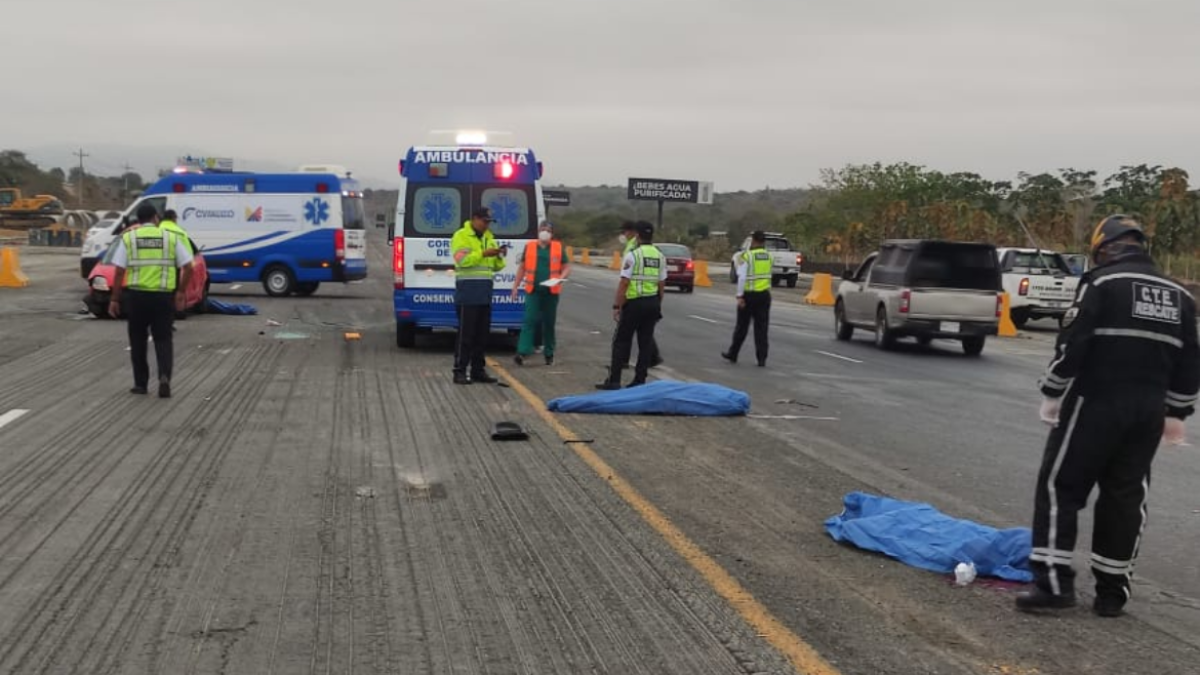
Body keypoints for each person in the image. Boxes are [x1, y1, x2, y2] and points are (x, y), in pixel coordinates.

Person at [1017, 215, 1199, 618]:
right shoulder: (1179, 295)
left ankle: (1052, 585)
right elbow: (1190, 362)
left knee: (1059, 487)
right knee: (1125, 496)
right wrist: (1178, 411)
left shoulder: (1102, 283)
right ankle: (1112, 593)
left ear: (1104, 248)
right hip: (1148, 413)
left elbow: (1074, 341)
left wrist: (1052, 390)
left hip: (1094, 402)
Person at [108, 203, 196, 398]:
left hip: (137, 297)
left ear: (138, 220)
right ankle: (164, 376)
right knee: (163, 339)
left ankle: (141, 384)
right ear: (156, 218)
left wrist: (114, 299)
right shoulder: (170, 238)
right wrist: (181, 292)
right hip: (163, 297)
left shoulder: (129, 238)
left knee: (138, 340)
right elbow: (189, 266)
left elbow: (119, 270)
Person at [597, 221, 665, 390]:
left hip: (634, 303)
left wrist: (617, 306)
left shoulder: (633, 255)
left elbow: (624, 284)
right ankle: (639, 381)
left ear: (637, 235)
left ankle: (614, 380)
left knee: (621, 341)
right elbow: (661, 284)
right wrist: (657, 304)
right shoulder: (660, 256)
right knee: (645, 343)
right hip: (653, 302)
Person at [451, 207, 507, 385]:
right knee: (466, 335)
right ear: (474, 219)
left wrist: (498, 255)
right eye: (484, 221)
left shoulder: (489, 238)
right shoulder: (461, 236)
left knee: (482, 336)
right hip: (468, 291)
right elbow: (462, 260)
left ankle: (478, 370)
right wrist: (483, 253)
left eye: (489, 222)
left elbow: (497, 267)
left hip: (485, 292)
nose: (486, 225)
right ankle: (459, 371)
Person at [512, 220, 570, 366]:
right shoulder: (530, 247)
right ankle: (523, 352)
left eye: (548, 230)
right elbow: (522, 268)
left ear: (552, 233)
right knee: (529, 320)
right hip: (533, 291)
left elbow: (567, 267)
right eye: (542, 229)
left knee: (549, 323)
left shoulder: (558, 247)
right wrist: (515, 287)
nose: (545, 232)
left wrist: (561, 278)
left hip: (551, 291)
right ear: (538, 231)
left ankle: (549, 353)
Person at [615, 220, 662, 370]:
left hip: (634, 296)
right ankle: (640, 376)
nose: (623, 235)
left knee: (623, 336)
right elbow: (662, 283)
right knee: (645, 337)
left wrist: (618, 303)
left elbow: (625, 280)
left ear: (633, 232)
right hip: (651, 298)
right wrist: (658, 301)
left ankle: (617, 371)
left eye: (624, 232)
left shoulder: (633, 249)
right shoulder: (658, 254)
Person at [722, 229, 773, 367]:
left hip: (749, 295)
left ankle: (733, 353)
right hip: (764, 295)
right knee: (762, 329)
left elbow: (742, 277)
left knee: (742, 327)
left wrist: (739, 296)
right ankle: (761, 358)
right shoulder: (769, 256)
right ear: (764, 242)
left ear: (754, 241)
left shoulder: (747, 256)